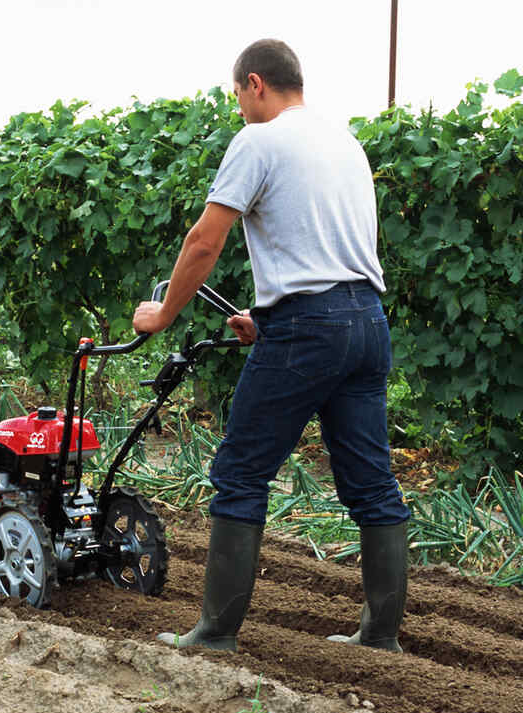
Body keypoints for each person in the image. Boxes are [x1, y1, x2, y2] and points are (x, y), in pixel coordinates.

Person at [132, 38, 410, 653]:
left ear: (255, 83)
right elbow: (322, 244)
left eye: (238, 97)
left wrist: (162, 314)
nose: (239, 111)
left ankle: (214, 634)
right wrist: (265, 311)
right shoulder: (345, 143)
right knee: (371, 483)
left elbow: (205, 241)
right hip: (366, 321)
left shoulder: (258, 141)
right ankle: (380, 635)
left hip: (308, 329)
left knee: (239, 473)